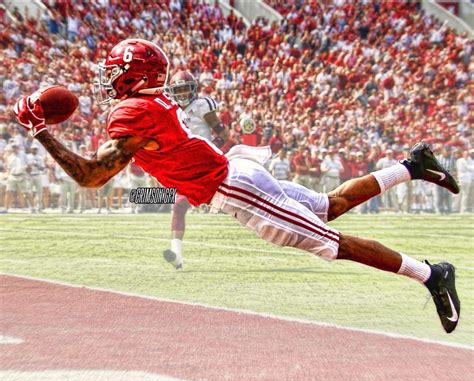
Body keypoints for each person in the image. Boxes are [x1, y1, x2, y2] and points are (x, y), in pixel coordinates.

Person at [14, 38, 461, 333]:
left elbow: (93, 176)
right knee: (329, 204)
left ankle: (431, 274)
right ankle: (412, 164)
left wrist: (40, 131)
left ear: (133, 75)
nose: (107, 78)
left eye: (114, 70)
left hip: (234, 189)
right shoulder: (149, 102)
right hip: (238, 173)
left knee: (331, 242)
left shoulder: (132, 111)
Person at [163, 70, 228, 269]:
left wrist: (212, 149)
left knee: (240, 207)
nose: (182, 94)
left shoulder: (202, 106)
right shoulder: (173, 112)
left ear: (193, 89)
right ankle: (177, 255)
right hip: (189, 170)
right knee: (179, 206)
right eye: (178, 90)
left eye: (185, 89)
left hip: (209, 165)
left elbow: (222, 134)